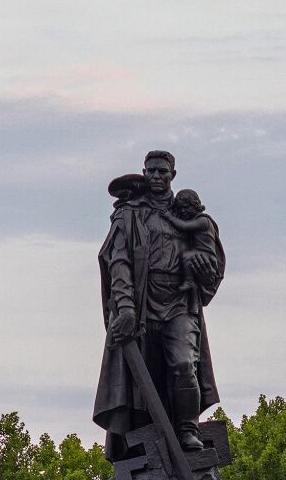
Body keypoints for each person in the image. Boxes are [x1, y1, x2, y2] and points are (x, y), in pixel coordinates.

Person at [94, 151, 225, 462]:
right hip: (141, 306)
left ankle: (187, 429)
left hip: (180, 303)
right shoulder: (129, 215)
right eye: (151, 171)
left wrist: (208, 273)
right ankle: (145, 449)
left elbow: (212, 262)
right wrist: (124, 308)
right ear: (144, 171)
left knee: (183, 364)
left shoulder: (189, 214)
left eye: (162, 172)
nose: (156, 176)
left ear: (173, 175)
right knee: (143, 382)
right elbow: (118, 263)